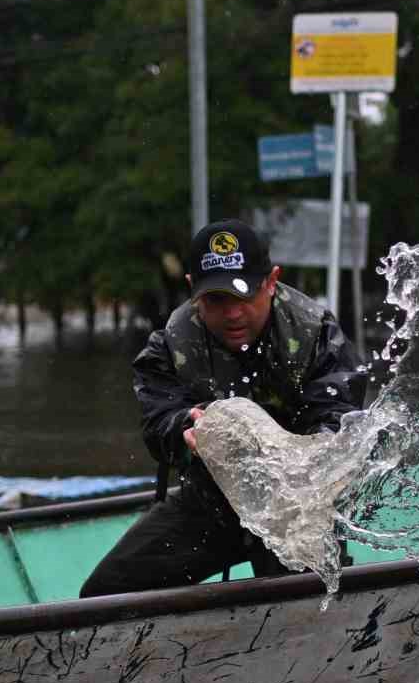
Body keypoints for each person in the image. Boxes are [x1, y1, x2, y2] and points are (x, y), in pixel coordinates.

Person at [80, 218, 364, 597]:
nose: (232, 314)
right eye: (217, 300)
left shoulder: (316, 335)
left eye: (244, 297)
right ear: (192, 291)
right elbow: (158, 423)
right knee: (105, 593)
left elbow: (340, 419)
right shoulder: (168, 347)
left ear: (271, 281)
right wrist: (183, 428)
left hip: (297, 512)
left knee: (315, 602)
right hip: (211, 504)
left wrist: (311, 458)